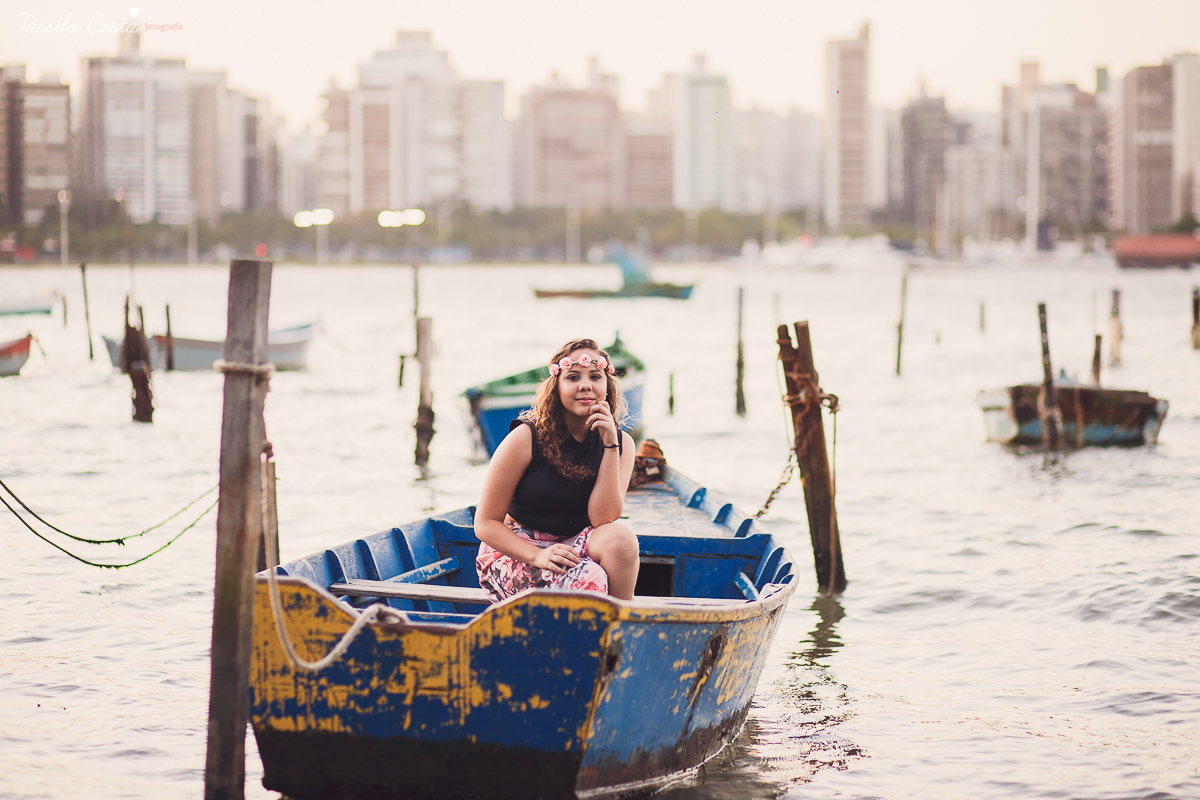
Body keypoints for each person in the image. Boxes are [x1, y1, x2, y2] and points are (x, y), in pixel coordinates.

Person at [475, 338, 639, 602]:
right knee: (590, 576)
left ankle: (620, 622)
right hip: (518, 550)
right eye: (573, 377)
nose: (585, 385)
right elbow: (485, 524)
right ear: (557, 387)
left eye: (595, 376)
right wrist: (538, 556)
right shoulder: (525, 438)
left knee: (621, 539)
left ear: (607, 386)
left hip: (574, 543)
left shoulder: (622, 444)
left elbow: (603, 519)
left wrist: (610, 445)